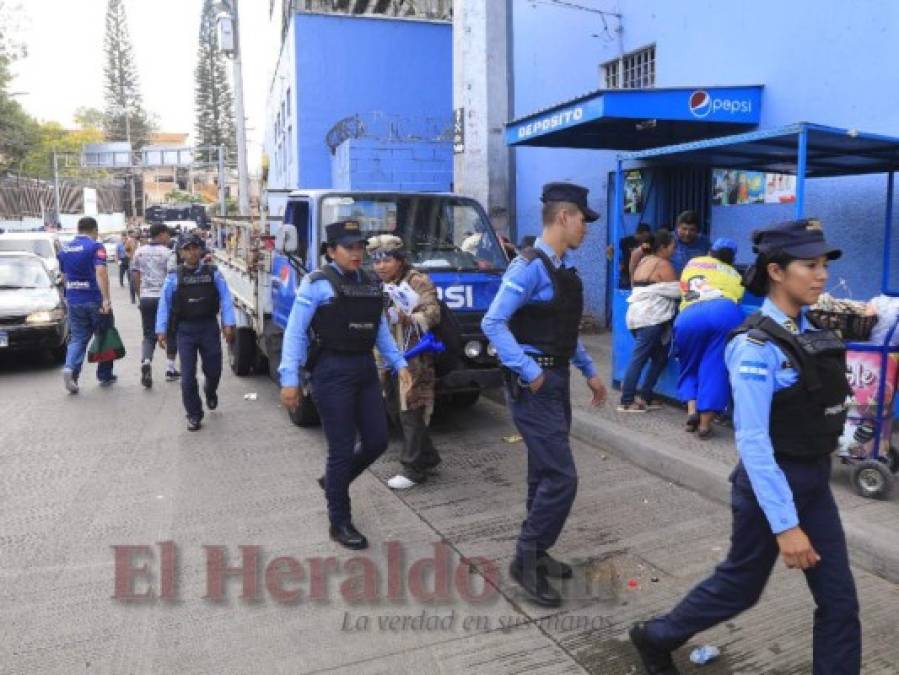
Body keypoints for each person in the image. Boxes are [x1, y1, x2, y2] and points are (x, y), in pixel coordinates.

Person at [630, 219, 859, 675]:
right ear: (776, 272)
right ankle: (655, 636)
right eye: (809, 265)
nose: (821, 275)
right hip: (769, 486)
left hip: (813, 480)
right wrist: (786, 525)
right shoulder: (756, 346)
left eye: (823, 266)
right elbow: (753, 443)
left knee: (839, 602)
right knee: (741, 587)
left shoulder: (810, 331)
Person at [482, 182, 607, 608]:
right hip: (534, 385)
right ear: (564, 217)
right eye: (583, 221)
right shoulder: (528, 267)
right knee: (562, 477)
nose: (586, 230)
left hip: (556, 383)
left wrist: (589, 371)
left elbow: (564, 330)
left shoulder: (560, 268)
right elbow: (493, 322)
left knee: (543, 472)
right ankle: (524, 559)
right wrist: (529, 370)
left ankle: (538, 553)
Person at [278, 220, 413, 550]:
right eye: (348, 247)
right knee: (340, 449)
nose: (356, 253)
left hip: (364, 368)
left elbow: (379, 329)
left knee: (378, 441)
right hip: (331, 370)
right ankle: (339, 521)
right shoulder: (316, 284)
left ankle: (333, 482)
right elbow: (295, 332)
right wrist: (289, 380)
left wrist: (400, 363)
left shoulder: (370, 282)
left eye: (359, 247)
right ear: (331, 250)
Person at [368, 234, 443, 490]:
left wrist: (409, 318)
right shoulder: (374, 283)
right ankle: (429, 456)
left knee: (410, 408)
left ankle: (413, 469)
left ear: (399, 260)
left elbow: (433, 314)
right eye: (376, 262)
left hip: (414, 356)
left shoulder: (416, 280)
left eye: (386, 260)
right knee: (393, 407)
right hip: (385, 356)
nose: (380, 267)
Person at [155, 235, 236, 431]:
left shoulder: (213, 273)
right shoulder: (174, 276)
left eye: (194, 248)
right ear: (181, 252)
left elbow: (225, 298)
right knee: (188, 376)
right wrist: (161, 330)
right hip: (186, 330)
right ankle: (193, 413)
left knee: (214, 370)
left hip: (208, 327)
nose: (191, 252)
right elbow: (164, 304)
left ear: (200, 251)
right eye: (187, 249)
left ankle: (210, 390)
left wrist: (229, 323)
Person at [674, 238, 745, 437]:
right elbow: (738, 299)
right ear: (732, 258)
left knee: (689, 364)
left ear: (710, 251)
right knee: (714, 367)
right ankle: (705, 425)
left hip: (689, 316)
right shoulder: (735, 275)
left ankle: (691, 413)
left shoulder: (693, 262)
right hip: (724, 312)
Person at [618, 230, 679, 413]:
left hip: (636, 316)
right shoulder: (663, 264)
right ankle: (627, 400)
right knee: (639, 359)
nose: (674, 250)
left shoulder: (643, 261)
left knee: (660, 358)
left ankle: (646, 396)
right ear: (663, 247)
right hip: (650, 319)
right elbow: (677, 291)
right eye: (672, 246)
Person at [57, 216, 116, 392]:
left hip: (74, 300)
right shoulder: (96, 246)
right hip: (94, 299)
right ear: (95, 230)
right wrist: (105, 299)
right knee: (104, 335)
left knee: (77, 338)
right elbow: (101, 272)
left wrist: (68, 296)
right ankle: (105, 375)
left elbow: (64, 275)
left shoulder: (64, 249)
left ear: (78, 228)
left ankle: (70, 369)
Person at [132, 223, 180, 388]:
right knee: (172, 331)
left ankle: (146, 361)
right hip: (164, 298)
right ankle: (170, 369)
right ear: (161, 235)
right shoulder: (169, 253)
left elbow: (136, 276)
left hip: (146, 297)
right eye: (167, 234)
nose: (169, 238)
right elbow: (173, 278)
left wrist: (140, 295)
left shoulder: (139, 252)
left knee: (148, 334)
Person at [610, 222, 652, 289]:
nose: (646, 238)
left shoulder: (646, 244)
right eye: (645, 236)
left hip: (639, 273)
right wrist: (615, 262)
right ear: (642, 233)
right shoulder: (626, 241)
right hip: (626, 273)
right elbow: (612, 247)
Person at [670, 210, 710, 275]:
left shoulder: (704, 242)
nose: (687, 233)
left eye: (692, 230)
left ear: (697, 230)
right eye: (684, 229)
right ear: (677, 227)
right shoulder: (668, 240)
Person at [123, 229, 139, 304]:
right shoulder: (129, 241)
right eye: (135, 232)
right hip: (133, 262)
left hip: (142, 262)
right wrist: (130, 257)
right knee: (133, 280)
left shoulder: (142, 241)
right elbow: (126, 250)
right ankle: (133, 298)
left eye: (137, 233)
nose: (136, 234)